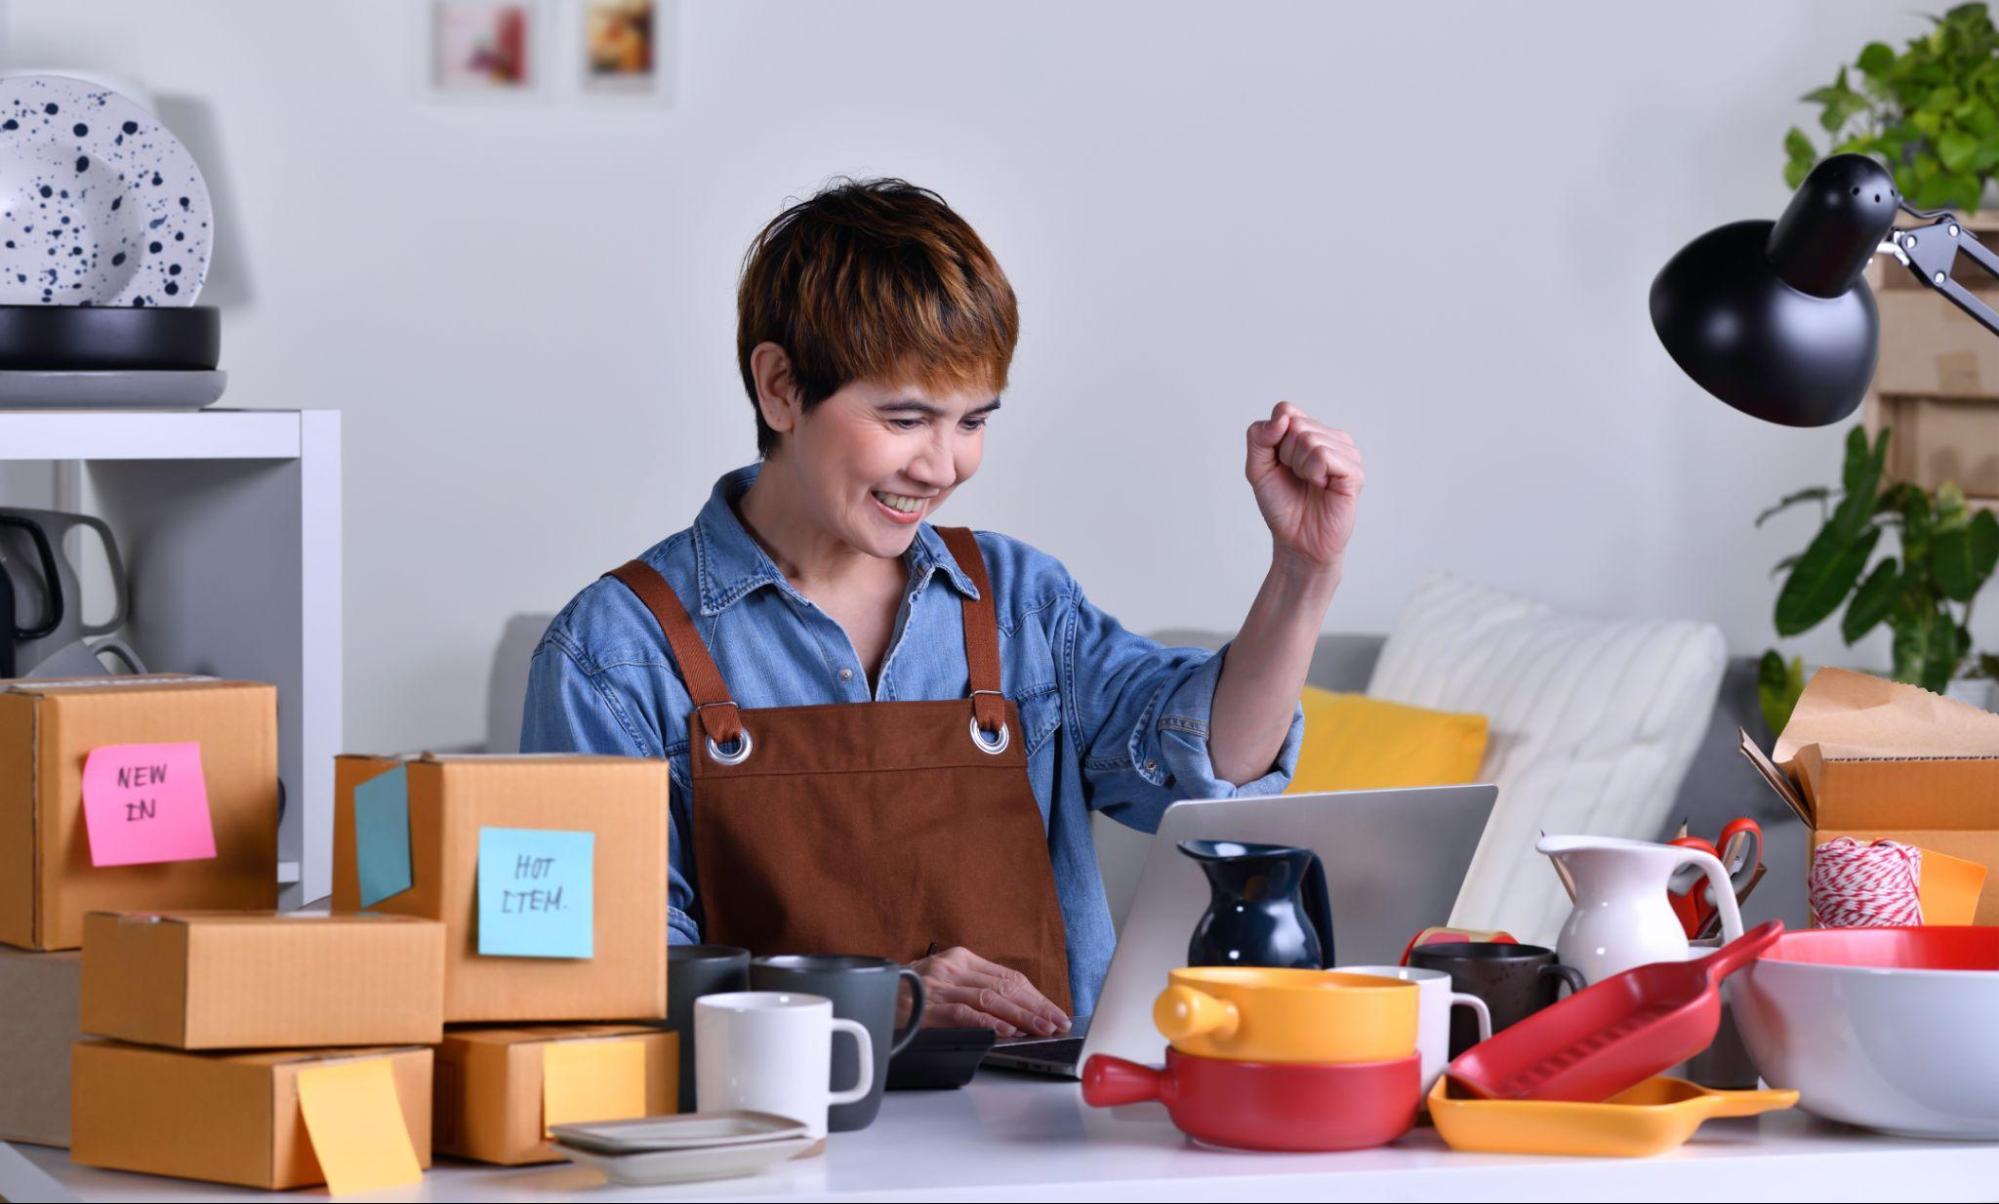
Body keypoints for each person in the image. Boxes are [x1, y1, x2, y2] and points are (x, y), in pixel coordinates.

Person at [521, 178, 1363, 1036]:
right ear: (780, 388)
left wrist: (1302, 572)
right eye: (906, 417)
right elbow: (599, 965)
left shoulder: (1019, 603)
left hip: (1042, 1144)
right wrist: (874, 1002)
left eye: (971, 422)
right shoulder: (612, 653)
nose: (942, 466)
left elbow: (1198, 767)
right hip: (774, 1148)